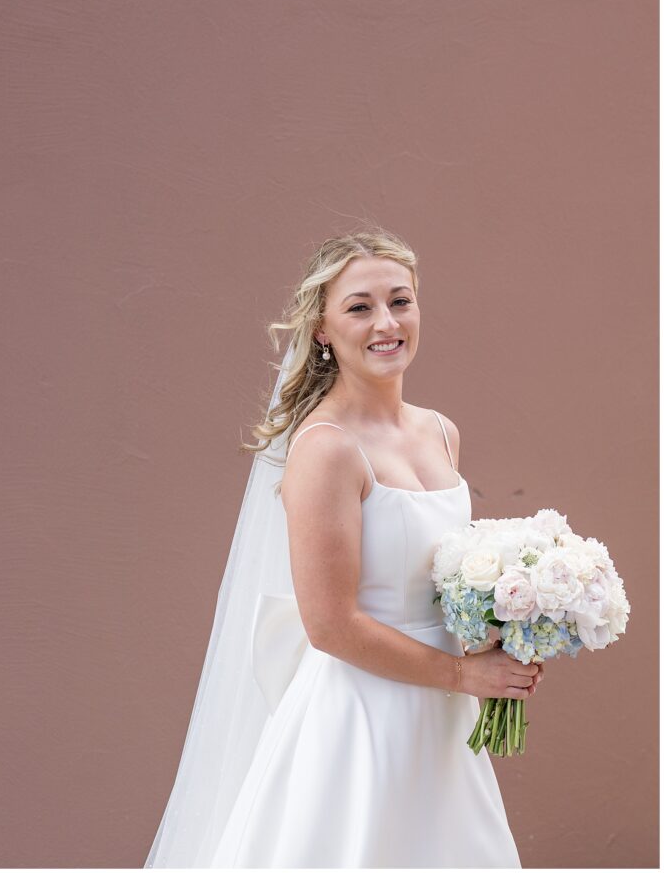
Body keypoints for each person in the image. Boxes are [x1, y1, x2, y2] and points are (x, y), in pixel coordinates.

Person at [145, 227, 543, 868]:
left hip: (443, 722)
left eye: (401, 301)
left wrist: (512, 632)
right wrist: (464, 675)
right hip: (360, 720)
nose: (386, 322)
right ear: (323, 330)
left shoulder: (442, 433)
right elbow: (329, 625)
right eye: (360, 306)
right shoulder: (326, 448)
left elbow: (442, 582)